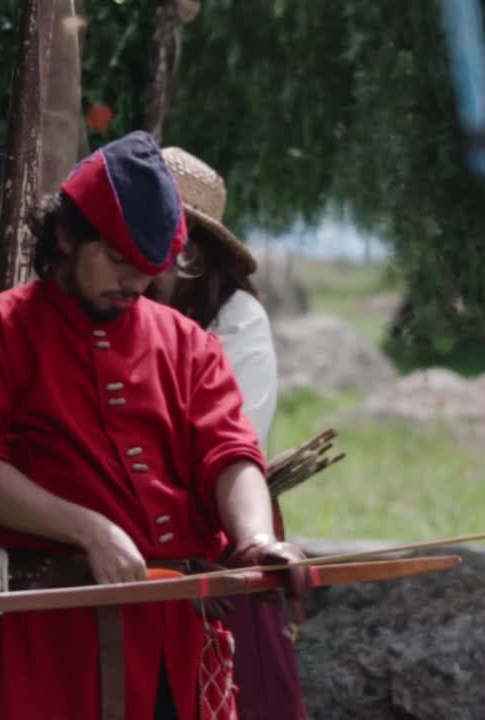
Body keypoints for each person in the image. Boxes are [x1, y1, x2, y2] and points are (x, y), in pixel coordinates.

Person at [0, 130, 310, 720]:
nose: (134, 281)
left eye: (147, 267)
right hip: (43, 633)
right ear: (66, 234)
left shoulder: (188, 344)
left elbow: (230, 453)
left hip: (172, 638)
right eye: (116, 258)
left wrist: (255, 539)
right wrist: (89, 530)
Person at [147, 147, 306, 720]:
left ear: (195, 248)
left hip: (219, 527)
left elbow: (232, 438)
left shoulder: (237, 318)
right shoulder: (118, 303)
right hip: (128, 541)